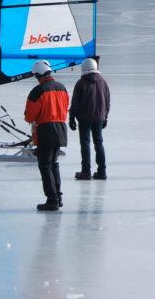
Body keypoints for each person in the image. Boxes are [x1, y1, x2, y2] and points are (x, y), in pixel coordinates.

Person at [24, 60, 69, 212]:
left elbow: (30, 116)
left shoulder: (38, 91)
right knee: (54, 164)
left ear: (38, 74)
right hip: (61, 129)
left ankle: (52, 200)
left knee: (45, 166)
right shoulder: (62, 88)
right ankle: (58, 197)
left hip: (46, 130)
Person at [68, 57, 110, 180]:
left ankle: (86, 171)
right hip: (99, 118)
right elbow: (107, 101)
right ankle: (102, 171)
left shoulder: (81, 83)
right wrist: (105, 117)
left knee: (85, 144)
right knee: (99, 144)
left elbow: (75, 103)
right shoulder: (103, 82)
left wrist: (71, 118)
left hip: (84, 118)